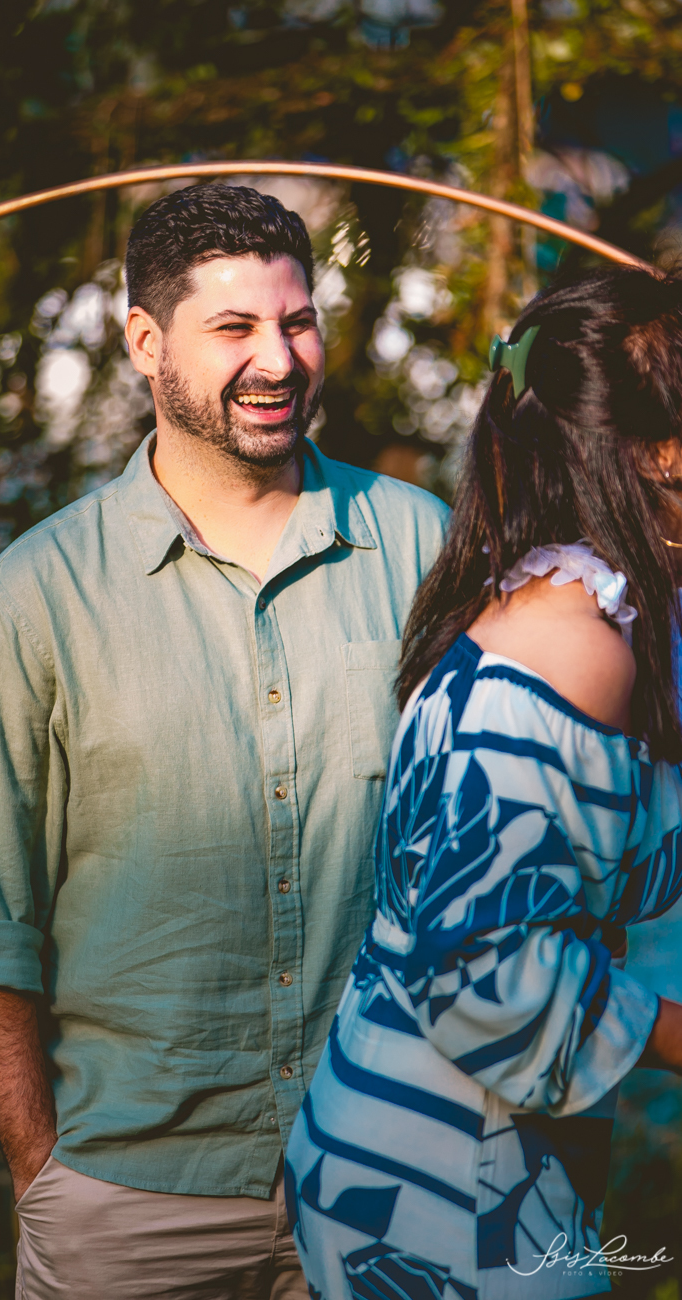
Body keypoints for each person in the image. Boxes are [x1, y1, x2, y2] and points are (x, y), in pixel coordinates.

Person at [0, 183, 448, 1299]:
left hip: (393, 1176)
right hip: (130, 1204)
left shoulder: (420, 545)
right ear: (146, 343)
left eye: (297, 322)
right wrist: (44, 1177)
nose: (278, 360)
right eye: (234, 327)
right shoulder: (31, 602)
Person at [285, 265, 682, 1299]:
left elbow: (608, 860)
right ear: (660, 455)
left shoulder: (556, 595)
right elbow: (477, 966)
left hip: (418, 1146)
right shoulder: (573, 648)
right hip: (444, 1184)